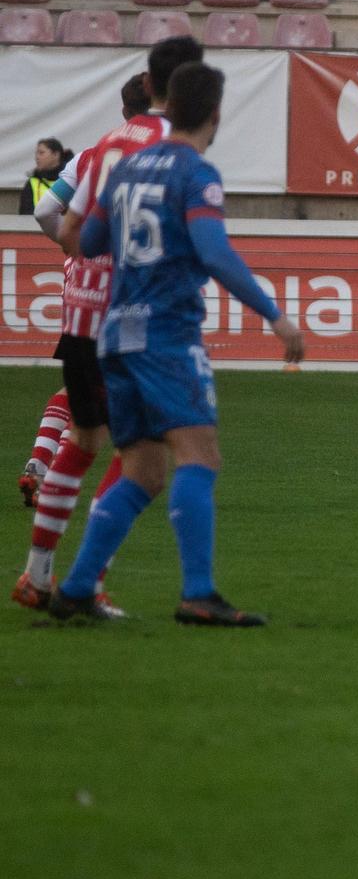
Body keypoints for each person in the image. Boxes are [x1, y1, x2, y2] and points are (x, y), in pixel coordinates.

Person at [51, 61, 306, 625]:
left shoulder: (126, 168)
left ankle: (73, 588)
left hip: (114, 333)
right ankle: (197, 593)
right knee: (200, 456)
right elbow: (214, 253)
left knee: (143, 470)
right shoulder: (196, 174)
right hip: (165, 334)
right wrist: (274, 316)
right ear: (215, 114)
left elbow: (84, 238)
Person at [14, 36, 205, 616]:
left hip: (81, 317)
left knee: (83, 440)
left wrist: (81, 255)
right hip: (132, 322)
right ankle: (87, 581)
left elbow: (49, 212)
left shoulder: (99, 148)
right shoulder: (174, 148)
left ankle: (37, 576)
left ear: (144, 86)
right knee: (140, 457)